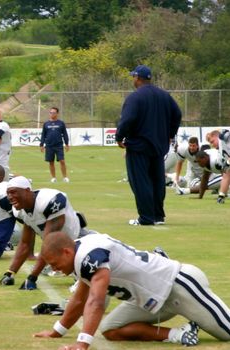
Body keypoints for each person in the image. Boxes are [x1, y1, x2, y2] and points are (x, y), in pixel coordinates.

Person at [34, 231, 230, 348]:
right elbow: (80, 299)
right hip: (151, 299)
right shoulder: (79, 255)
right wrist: (57, 331)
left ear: (66, 252)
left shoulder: (89, 256)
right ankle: (180, 334)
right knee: (110, 329)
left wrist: (82, 344)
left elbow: (96, 301)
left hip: (177, 285)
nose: (54, 269)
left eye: (54, 263)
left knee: (228, 332)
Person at [115, 65, 182, 226]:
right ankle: (158, 216)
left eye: (134, 77)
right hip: (159, 145)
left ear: (138, 78)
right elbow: (177, 114)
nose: (133, 80)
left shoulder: (135, 97)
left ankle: (146, 217)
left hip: (138, 145)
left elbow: (127, 119)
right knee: (157, 180)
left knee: (140, 180)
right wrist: (170, 134)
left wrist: (119, 137)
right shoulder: (164, 96)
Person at [0, 176, 87, 290]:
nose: (10, 197)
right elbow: (25, 243)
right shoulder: (19, 211)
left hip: (78, 242)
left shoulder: (49, 201)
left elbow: (48, 245)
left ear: (27, 191)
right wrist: (10, 273)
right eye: (8, 193)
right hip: (58, 248)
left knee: (85, 278)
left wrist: (32, 278)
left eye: (13, 192)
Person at [40, 107, 70, 183]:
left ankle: (65, 177)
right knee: (51, 162)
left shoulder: (61, 123)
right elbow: (43, 135)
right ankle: (53, 178)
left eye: (53, 112)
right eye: (50, 112)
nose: (52, 114)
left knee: (62, 161)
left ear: (57, 113)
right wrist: (41, 144)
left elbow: (65, 134)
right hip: (49, 145)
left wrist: (66, 144)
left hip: (59, 145)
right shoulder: (46, 124)